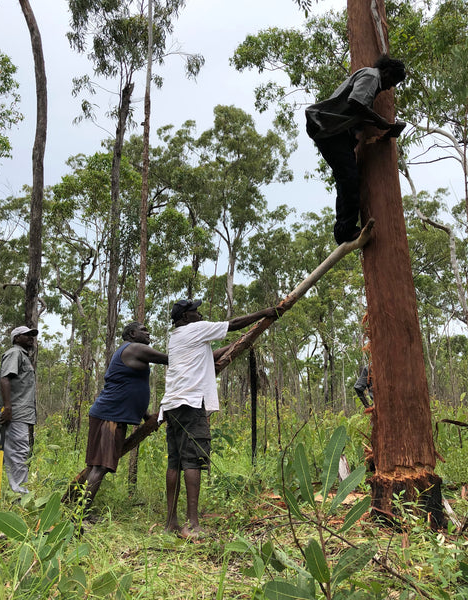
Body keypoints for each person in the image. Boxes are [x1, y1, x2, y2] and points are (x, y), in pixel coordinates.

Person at [160, 299, 280, 539]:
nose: (200, 313)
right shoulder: (196, 328)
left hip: (172, 406)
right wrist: (264, 313)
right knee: (193, 461)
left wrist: (236, 345)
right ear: (185, 317)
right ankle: (192, 524)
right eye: (195, 311)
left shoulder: (177, 336)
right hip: (191, 403)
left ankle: (171, 522)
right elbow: (233, 323)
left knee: (175, 463)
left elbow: (207, 356)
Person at [305, 54, 406, 245]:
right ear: (386, 72)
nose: (390, 87)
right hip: (326, 127)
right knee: (349, 177)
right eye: (392, 81)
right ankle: (345, 230)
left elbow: (356, 109)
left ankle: (344, 228)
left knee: (346, 177)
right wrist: (379, 121)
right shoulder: (372, 77)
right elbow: (355, 102)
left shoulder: (371, 78)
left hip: (333, 129)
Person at [81, 322, 168, 513]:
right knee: (99, 467)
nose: (148, 332)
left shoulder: (130, 350)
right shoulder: (135, 348)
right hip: (109, 417)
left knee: (95, 466)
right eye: (143, 330)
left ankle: (79, 511)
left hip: (111, 415)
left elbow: (128, 388)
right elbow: (170, 359)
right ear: (132, 333)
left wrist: (146, 415)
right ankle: (79, 516)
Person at [0, 325, 38, 494]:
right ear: (16, 338)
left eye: (32, 335)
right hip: (14, 414)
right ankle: (21, 499)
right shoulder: (15, 353)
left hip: (15, 413)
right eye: (27, 335)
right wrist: (8, 407)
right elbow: (4, 379)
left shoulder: (22, 356)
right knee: (18, 453)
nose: (31, 337)